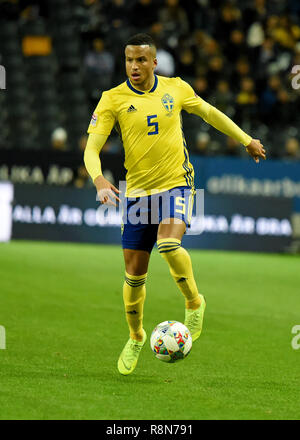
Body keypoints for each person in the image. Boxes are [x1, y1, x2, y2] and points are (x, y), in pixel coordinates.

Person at [84, 33, 266, 376]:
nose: (134, 66)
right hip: (137, 193)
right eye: (129, 60)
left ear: (154, 62)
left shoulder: (176, 88)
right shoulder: (113, 99)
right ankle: (136, 336)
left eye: (140, 60)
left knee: (169, 244)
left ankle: (194, 302)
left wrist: (246, 140)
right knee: (134, 277)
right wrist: (99, 179)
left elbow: (210, 114)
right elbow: (91, 148)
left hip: (176, 184)